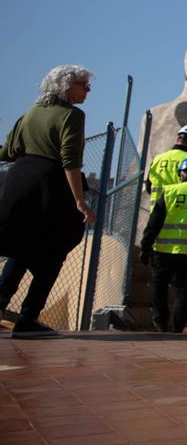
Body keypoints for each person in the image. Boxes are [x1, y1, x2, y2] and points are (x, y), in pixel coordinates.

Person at [0, 65, 97, 338]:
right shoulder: (73, 116)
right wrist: (80, 201)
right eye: (84, 85)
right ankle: (28, 319)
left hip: (19, 183)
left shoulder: (29, 113)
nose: (87, 90)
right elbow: (70, 160)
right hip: (51, 188)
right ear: (66, 86)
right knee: (53, 255)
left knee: (20, 249)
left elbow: (9, 151)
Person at [139, 156, 187, 333]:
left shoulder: (168, 192)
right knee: (184, 291)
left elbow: (154, 224)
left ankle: (160, 322)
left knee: (159, 287)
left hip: (164, 250)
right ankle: (177, 328)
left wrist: (145, 247)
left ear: (180, 175)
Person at [145, 125, 187, 206]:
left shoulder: (158, 159)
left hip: (156, 211)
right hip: (177, 212)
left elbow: (148, 188)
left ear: (177, 139)